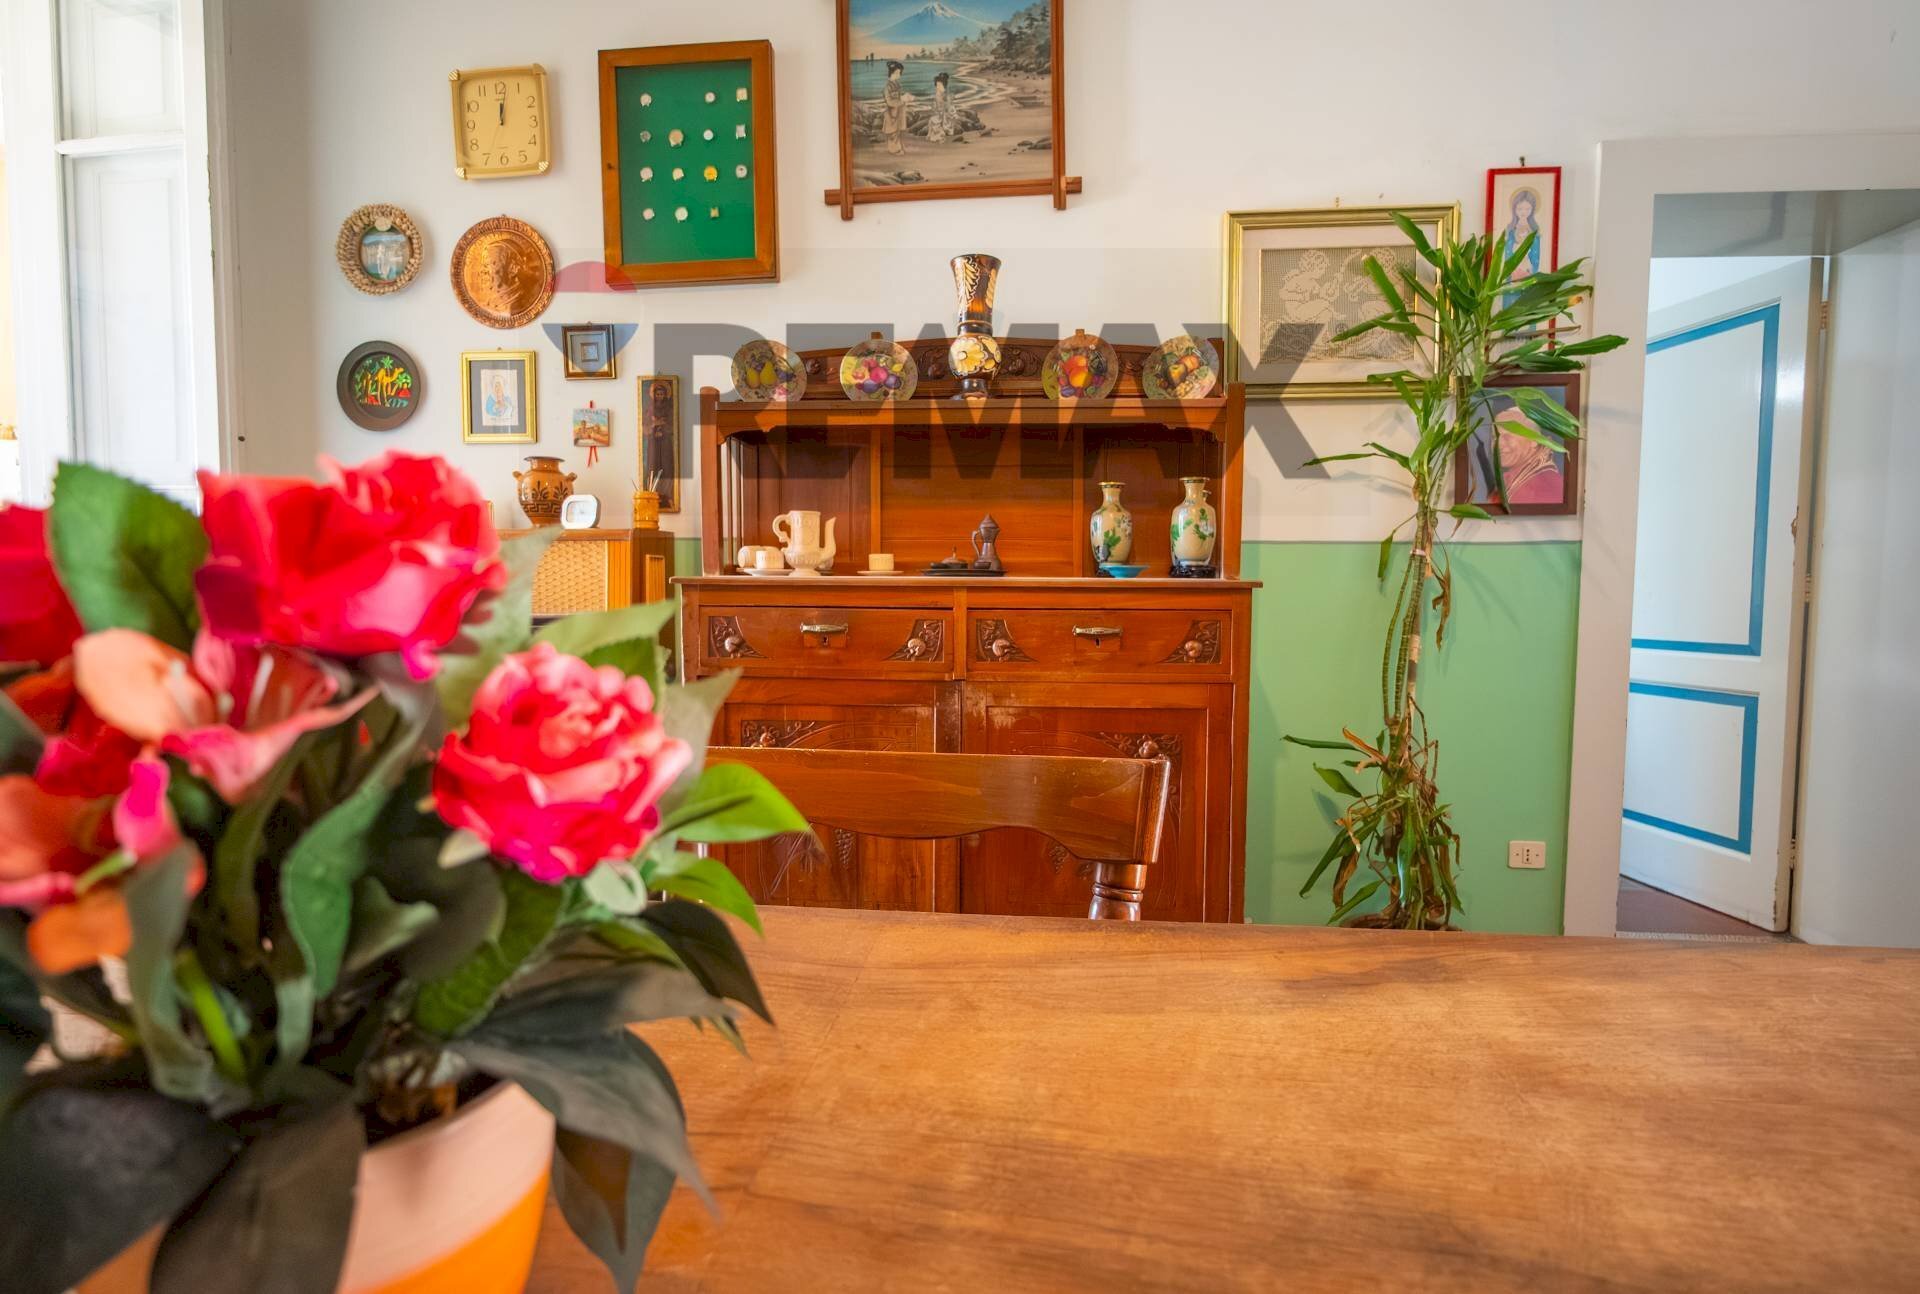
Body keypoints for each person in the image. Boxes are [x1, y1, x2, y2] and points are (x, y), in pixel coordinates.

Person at [882, 61, 909, 156]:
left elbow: (899, 96)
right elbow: (890, 102)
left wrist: (906, 97)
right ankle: (893, 150)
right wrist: (902, 100)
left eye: (900, 73)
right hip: (891, 113)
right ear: (892, 73)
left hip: (898, 112)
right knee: (892, 132)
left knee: (897, 131)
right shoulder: (887, 87)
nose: (899, 75)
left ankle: (897, 148)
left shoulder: (897, 84)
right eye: (897, 73)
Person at [925, 71, 958, 143]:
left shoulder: (944, 94)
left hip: (944, 114)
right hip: (940, 113)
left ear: (944, 85)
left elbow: (948, 106)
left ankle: (941, 134)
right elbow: (936, 105)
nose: (938, 87)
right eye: (937, 85)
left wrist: (945, 111)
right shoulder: (938, 93)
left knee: (935, 121)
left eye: (940, 85)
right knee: (932, 120)